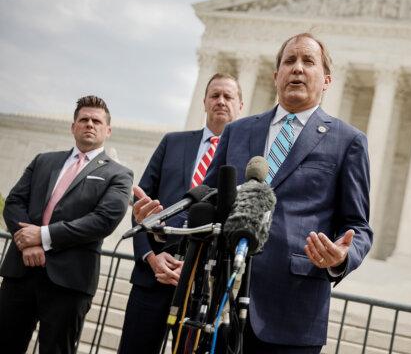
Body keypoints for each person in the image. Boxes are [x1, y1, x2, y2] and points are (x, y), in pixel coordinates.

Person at [203, 33, 373, 353]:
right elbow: (208, 197)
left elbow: (359, 226)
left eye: (308, 61)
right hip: (220, 301)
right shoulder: (238, 131)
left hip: (293, 312)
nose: (297, 68)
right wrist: (162, 222)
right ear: (276, 75)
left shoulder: (348, 141)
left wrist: (341, 256)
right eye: (289, 61)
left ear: (326, 80)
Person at [118, 73, 243, 354]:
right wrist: (150, 257)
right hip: (153, 277)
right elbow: (140, 206)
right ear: (205, 101)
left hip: (203, 288)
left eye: (228, 96)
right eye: (215, 95)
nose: (221, 101)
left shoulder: (245, 159)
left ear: (240, 105)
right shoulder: (172, 142)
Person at [0, 95, 133, 354]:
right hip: (21, 273)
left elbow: (103, 221)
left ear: (108, 130)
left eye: (96, 120)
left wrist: (43, 236)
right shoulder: (43, 161)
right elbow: (14, 202)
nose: (89, 124)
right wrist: (26, 242)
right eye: (83, 119)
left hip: (70, 282)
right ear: (73, 127)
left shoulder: (118, 174)